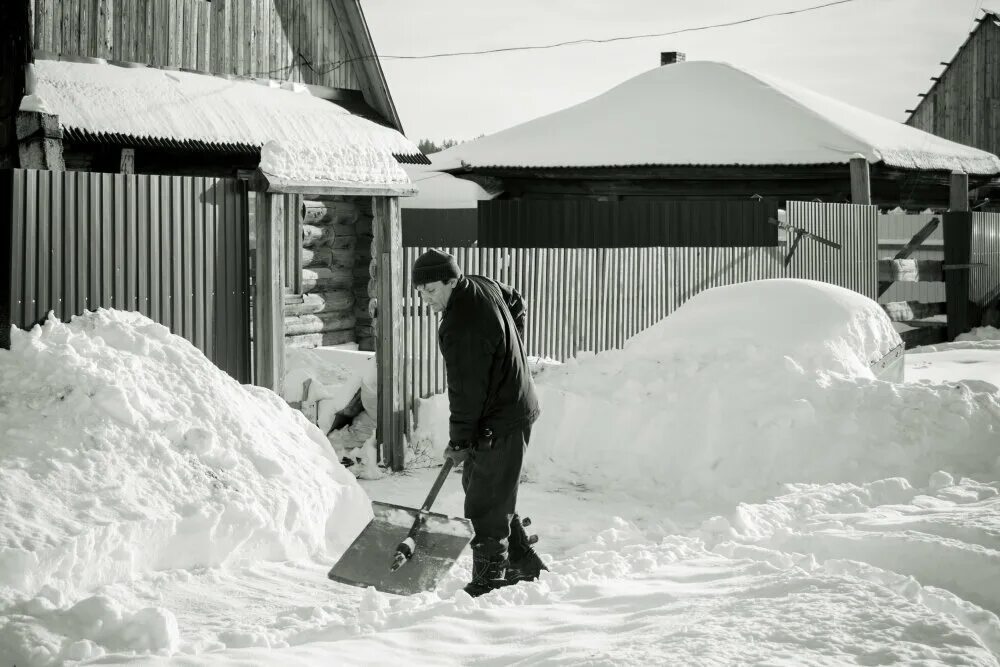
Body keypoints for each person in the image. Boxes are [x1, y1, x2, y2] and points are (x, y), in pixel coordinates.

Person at [412, 248, 547, 597]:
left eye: (431, 290)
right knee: (483, 484)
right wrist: (509, 348)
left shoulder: (461, 327)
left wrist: (459, 442)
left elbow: (465, 394)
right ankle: (521, 559)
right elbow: (516, 300)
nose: (426, 299)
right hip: (511, 405)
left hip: (500, 417)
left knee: (484, 502)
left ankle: (489, 579)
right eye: (420, 292)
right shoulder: (481, 285)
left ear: (452, 280)